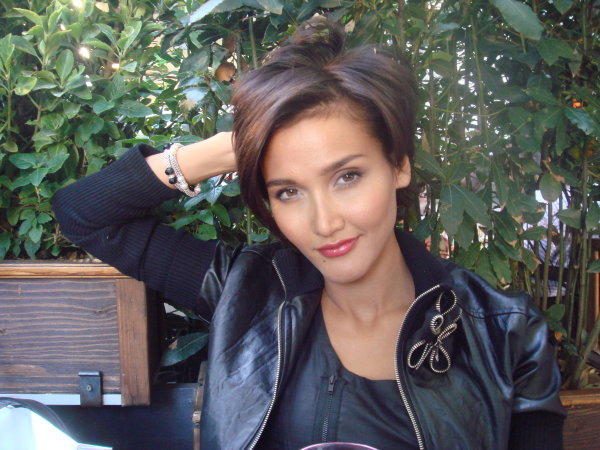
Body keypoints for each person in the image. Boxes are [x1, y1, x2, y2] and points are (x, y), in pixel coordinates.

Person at [53, 17, 565, 450]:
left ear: (399, 165)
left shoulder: (504, 333)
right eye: (289, 191)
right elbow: (85, 214)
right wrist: (233, 146)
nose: (324, 223)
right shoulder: (244, 292)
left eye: (347, 177)